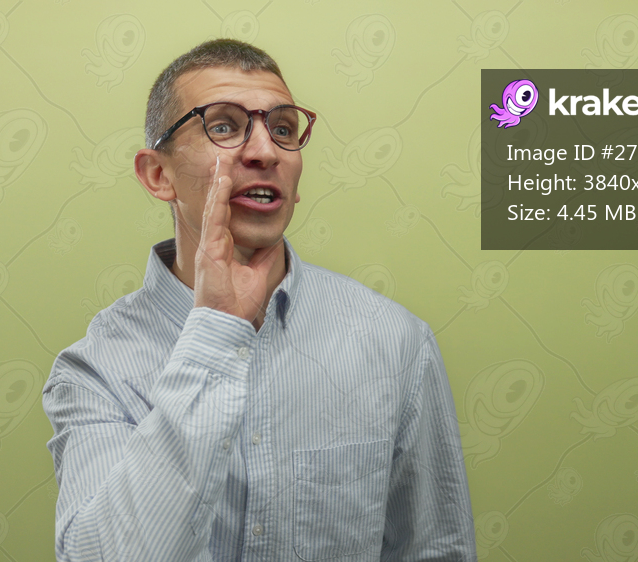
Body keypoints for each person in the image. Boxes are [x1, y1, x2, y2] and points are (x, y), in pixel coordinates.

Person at [42, 38, 476, 561]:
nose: (265, 152)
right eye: (224, 126)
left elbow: (437, 549)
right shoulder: (95, 370)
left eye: (284, 130)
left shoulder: (396, 340)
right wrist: (215, 330)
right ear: (158, 174)